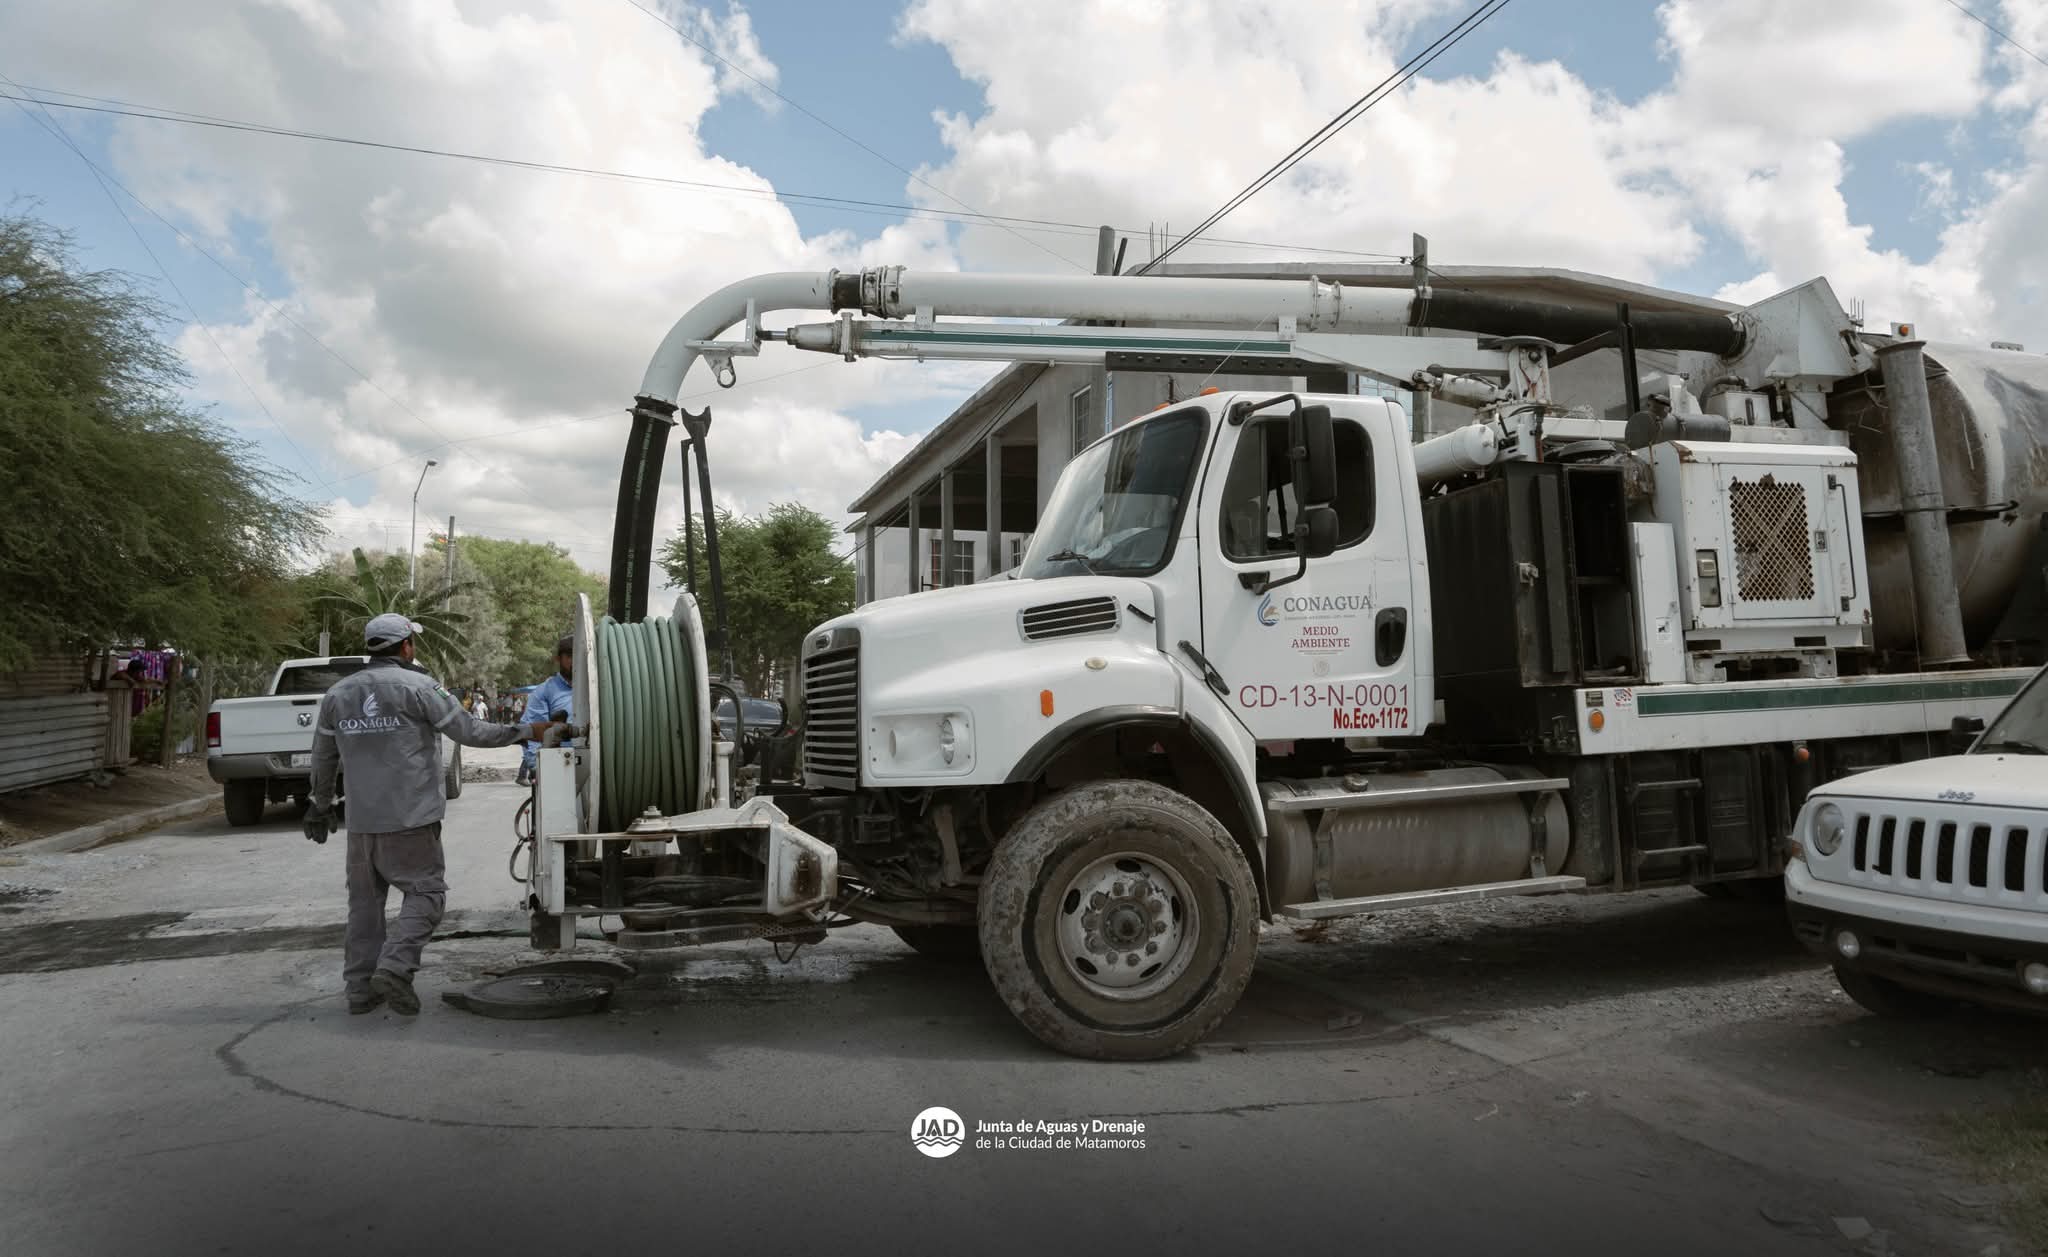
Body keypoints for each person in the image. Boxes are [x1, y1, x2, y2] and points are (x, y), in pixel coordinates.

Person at [305, 613, 559, 1016]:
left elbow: (322, 757)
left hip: (362, 822)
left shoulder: (338, 694)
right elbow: (472, 733)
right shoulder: (421, 687)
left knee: (365, 907)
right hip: (410, 818)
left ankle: (358, 990)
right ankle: (394, 967)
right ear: (406, 646)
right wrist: (529, 731)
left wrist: (318, 806)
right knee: (427, 894)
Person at [515, 635, 576, 788]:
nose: (575, 662)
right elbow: (531, 731)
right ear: (558, 659)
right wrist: (538, 768)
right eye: (569, 656)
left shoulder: (597, 688)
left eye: (580, 656)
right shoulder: (545, 691)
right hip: (561, 766)